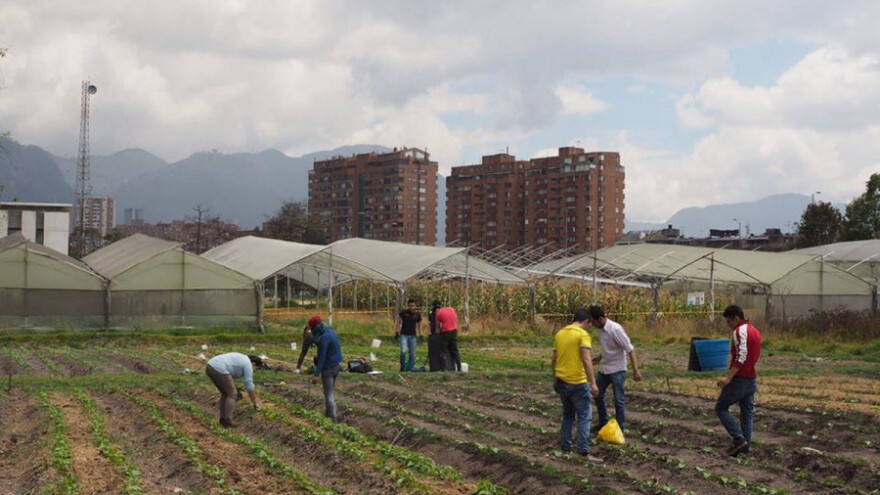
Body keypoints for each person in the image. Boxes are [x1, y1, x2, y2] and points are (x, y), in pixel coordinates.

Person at [552, 308, 602, 462]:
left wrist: (555, 379)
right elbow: (586, 359)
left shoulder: (560, 334)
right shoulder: (582, 335)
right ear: (586, 321)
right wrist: (593, 383)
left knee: (568, 416)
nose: (589, 327)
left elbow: (554, 359)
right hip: (578, 383)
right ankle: (583, 451)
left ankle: (565, 449)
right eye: (589, 324)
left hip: (562, 381)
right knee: (585, 416)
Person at [715, 304, 762, 457]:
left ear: (735, 318)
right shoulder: (755, 331)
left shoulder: (739, 331)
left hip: (740, 378)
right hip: (751, 378)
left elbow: (741, 355)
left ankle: (738, 439)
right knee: (746, 414)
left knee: (721, 407)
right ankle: (745, 447)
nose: (728, 326)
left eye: (729, 322)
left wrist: (729, 377)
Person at [588, 305, 642, 433]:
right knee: (597, 394)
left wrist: (635, 370)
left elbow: (630, 349)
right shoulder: (601, 330)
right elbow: (609, 348)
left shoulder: (615, 329)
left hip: (617, 369)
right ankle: (603, 422)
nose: (592, 324)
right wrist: (599, 358)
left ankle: (620, 428)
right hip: (605, 368)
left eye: (593, 321)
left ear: (600, 319)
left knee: (618, 399)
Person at [205, 352, 266, 428]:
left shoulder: (243, 359)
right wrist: (255, 403)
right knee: (232, 394)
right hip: (218, 368)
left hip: (210, 366)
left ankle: (223, 420)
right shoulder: (248, 364)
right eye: (256, 369)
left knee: (226, 394)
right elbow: (249, 385)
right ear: (253, 364)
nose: (255, 371)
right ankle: (228, 421)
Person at [310, 317, 344, 422]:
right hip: (337, 366)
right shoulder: (333, 333)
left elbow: (322, 357)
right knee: (329, 391)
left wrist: (316, 374)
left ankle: (333, 418)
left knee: (328, 394)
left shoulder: (324, 338)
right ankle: (328, 413)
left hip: (328, 369)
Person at [434, 301, 462, 371]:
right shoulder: (452, 309)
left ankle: (444, 368)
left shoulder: (438, 313)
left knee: (443, 350)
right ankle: (459, 367)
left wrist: (436, 335)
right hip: (454, 331)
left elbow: (437, 327)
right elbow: (456, 319)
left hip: (445, 332)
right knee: (455, 350)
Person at [396, 298, 422, 371]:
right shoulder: (404, 313)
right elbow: (399, 322)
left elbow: (419, 325)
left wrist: (420, 334)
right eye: (410, 305)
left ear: (415, 306)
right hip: (403, 335)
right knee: (403, 350)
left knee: (412, 354)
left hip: (413, 336)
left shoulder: (417, 315)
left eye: (413, 306)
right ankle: (403, 367)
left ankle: (409, 368)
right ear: (408, 306)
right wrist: (397, 332)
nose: (412, 307)